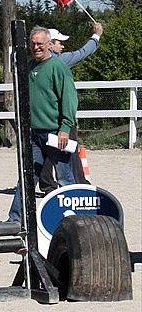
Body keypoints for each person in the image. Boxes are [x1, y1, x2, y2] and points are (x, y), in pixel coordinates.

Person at [7, 26, 78, 223]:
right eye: (33, 43)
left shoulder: (58, 68)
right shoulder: (29, 67)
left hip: (56, 133)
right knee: (27, 177)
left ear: (49, 44)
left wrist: (65, 128)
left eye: (40, 43)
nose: (36, 47)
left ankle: (73, 220)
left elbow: (69, 99)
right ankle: (15, 219)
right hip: (34, 134)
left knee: (65, 178)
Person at [37, 23, 104, 194]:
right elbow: (82, 54)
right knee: (68, 153)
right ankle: (76, 185)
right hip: (60, 120)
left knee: (45, 155)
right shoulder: (59, 61)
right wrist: (96, 36)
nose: (62, 45)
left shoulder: (36, 64)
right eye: (59, 42)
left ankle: (47, 184)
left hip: (43, 121)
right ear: (50, 44)